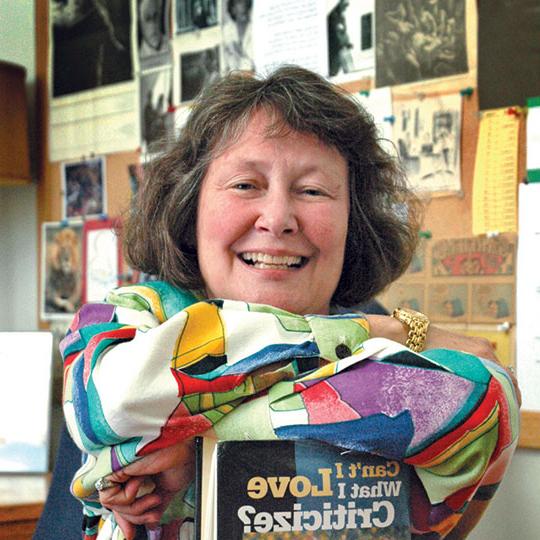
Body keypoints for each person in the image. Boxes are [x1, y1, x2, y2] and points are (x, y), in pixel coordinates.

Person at [61, 66, 520, 540]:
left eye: (312, 190)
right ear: (189, 205)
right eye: (245, 184)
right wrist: (380, 334)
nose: (278, 218)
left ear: (352, 220)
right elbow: (110, 400)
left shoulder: (424, 363)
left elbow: (486, 404)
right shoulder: (132, 314)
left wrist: (193, 446)